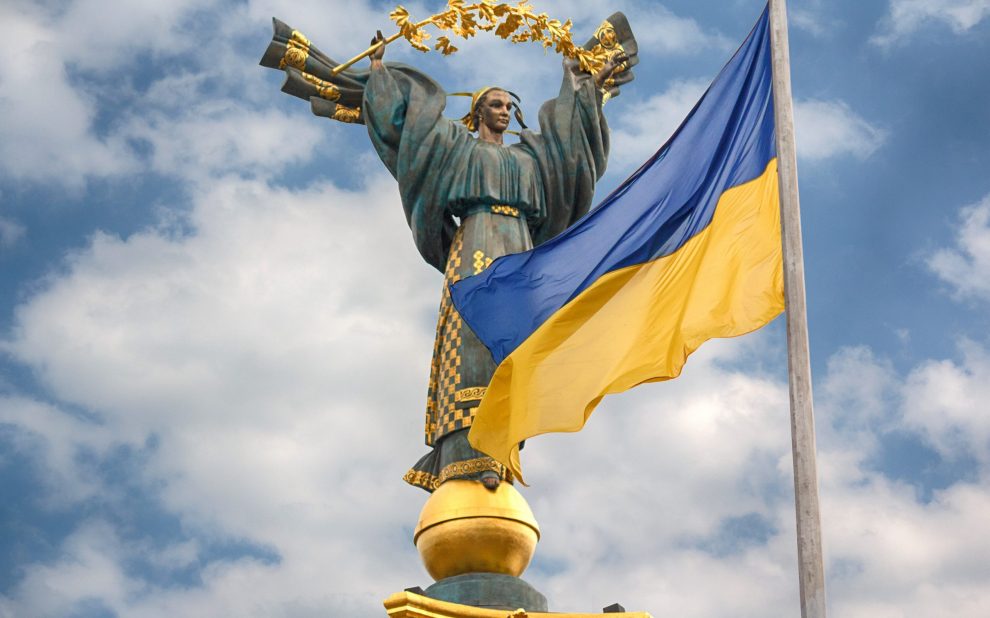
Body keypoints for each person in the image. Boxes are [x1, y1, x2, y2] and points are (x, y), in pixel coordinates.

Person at [359, 27, 635, 492]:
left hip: (521, 250)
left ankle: (503, 444)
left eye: (510, 106)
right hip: (474, 244)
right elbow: (408, 131)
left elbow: (573, 149)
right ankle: (462, 448)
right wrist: (380, 71)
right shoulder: (456, 147)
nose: (504, 112)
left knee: (514, 347)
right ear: (478, 112)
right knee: (472, 339)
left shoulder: (533, 158)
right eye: (496, 105)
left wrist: (582, 87)